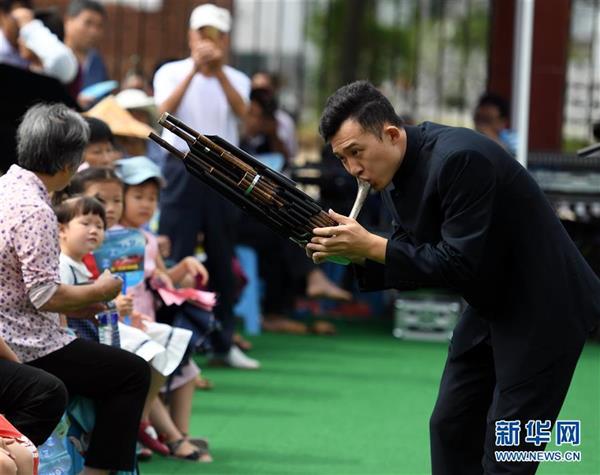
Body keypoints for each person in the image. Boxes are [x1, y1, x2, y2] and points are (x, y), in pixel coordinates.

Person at [308, 81, 600, 475]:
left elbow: (455, 263)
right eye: (342, 159)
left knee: (508, 450)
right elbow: (415, 254)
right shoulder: (390, 170)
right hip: (492, 299)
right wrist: (349, 254)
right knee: (450, 426)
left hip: (548, 305)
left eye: (356, 153)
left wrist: (369, 246)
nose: (353, 169)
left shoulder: (460, 159)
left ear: (392, 134)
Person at [0, 103, 150, 474]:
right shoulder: (35, 209)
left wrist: (84, 303)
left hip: (15, 328)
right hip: (25, 339)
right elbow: (45, 295)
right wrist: (101, 291)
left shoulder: (5, 186)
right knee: (132, 373)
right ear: (70, 165)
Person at [63, 166, 212, 461]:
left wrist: (180, 271)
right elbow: (79, 293)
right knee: (144, 357)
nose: (110, 209)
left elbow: (157, 276)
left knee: (179, 358)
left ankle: (168, 431)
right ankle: (156, 432)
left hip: (129, 317)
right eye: (102, 201)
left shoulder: (138, 237)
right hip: (103, 326)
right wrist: (108, 306)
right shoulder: (91, 240)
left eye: (117, 200)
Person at [154, 3, 258, 369]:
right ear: (190, 35)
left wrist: (217, 73)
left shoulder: (238, 79)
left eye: (214, 34)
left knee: (221, 258)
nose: (207, 41)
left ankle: (222, 343)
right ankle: (171, 342)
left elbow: (243, 114)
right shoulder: (171, 72)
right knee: (177, 255)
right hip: (180, 166)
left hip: (224, 171)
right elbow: (163, 111)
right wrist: (196, 70)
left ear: (225, 40)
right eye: (202, 33)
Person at [63, 0, 108, 104]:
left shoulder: (97, 61)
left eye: (99, 26)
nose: (94, 31)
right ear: (68, 21)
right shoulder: (53, 56)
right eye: (88, 23)